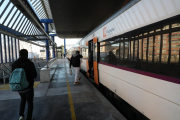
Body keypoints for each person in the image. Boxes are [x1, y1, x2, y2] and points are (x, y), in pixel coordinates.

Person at [12, 49, 37, 120]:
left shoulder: (15, 63)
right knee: (30, 102)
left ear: (19, 55)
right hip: (28, 87)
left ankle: (21, 116)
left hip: (19, 87)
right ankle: (29, 118)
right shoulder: (29, 63)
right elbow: (34, 75)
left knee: (23, 99)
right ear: (26, 55)